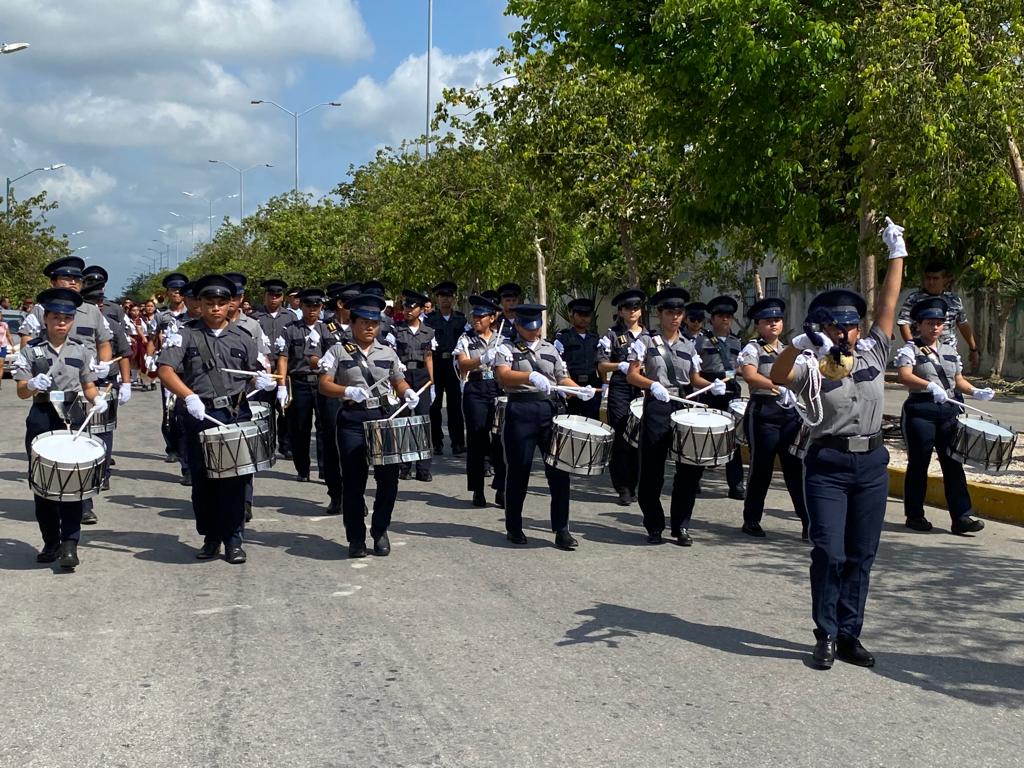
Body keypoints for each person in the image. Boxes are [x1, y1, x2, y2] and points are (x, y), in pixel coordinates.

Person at [771, 216, 907, 670]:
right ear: (821, 327)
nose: (846, 332)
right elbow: (775, 375)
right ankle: (825, 633)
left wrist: (896, 253)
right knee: (830, 552)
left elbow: (889, 303)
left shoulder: (873, 351)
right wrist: (795, 343)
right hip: (827, 462)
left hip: (870, 463)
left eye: (851, 324)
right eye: (836, 325)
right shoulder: (809, 362)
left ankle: (850, 634)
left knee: (862, 555)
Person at [157, 274, 276, 564]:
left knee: (235, 480)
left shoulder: (244, 338)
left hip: (235, 413)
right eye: (209, 303)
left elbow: (253, 375)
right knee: (204, 480)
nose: (215, 309)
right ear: (198, 303)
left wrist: (262, 382)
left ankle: (234, 538)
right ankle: (211, 537)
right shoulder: (184, 334)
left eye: (221, 303)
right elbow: (165, 370)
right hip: (200, 412)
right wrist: (189, 397)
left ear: (230, 305)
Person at [13, 288, 109, 570]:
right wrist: (30, 385)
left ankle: (70, 544)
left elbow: (89, 386)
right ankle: (50, 541)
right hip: (42, 414)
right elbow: (20, 391)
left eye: (66, 318)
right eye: (56, 318)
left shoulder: (80, 350)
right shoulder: (32, 350)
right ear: (46, 320)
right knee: (43, 484)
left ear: (71, 321)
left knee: (73, 484)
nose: (61, 323)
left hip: (72, 416)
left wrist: (97, 399)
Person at [318, 293, 419, 558]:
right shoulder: (338, 350)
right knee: (353, 481)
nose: (370, 327)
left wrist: (407, 392)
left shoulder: (388, 351)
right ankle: (356, 537)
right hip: (352, 419)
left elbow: (398, 379)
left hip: (383, 418)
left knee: (388, 479)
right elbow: (324, 384)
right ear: (352, 323)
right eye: (363, 322)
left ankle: (380, 529)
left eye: (374, 322)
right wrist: (346, 391)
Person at [627, 288, 727, 546]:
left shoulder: (689, 345)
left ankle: (681, 525)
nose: (675, 317)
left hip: (684, 405)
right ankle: (654, 525)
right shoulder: (646, 342)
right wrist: (651, 385)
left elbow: (694, 379)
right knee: (652, 469)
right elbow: (632, 375)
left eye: (679, 312)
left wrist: (711, 385)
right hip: (657, 404)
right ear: (659, 313)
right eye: (670, 312)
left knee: (689, 469)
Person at [20, 256, 114, 525]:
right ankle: (48, 509)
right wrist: (31, 369)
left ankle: (83, 504)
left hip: (81, 382)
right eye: (67, 278)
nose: (73, 283)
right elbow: (28, 340)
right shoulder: (41, 310)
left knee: (80, 452)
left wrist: (104, 366)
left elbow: (103, 340)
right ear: (54, 282)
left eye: (77, 279)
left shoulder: (93, 311)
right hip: (47, 383)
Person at [493, 303, 597, 550]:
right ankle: (514, 525)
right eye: (528, 327)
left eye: (537, 326)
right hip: (521, 409)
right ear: (517, 325)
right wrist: (529, 376)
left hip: (550, 411)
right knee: (519, 471)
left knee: (559, 473)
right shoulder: (506, 348)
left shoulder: (550, 348)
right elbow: (503, 375)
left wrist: (578, 390)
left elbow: (561, 377)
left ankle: (562, 529)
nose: (533, 331)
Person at [894, 296, 992, 534]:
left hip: (948, 412)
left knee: (953, 464)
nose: (935, 327)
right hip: (921, 411)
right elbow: (904, 375)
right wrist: (928, 386)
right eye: (930, 323)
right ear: (918, 325)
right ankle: (915, 515)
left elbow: (957, 380)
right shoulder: (911, 349)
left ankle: (962, 517)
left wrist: (975, 391)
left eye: (939, 323)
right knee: (919, 463)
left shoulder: (949, 350)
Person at [736, 298, 808, 538]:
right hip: (764, 412)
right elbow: (750, 375)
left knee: (795, 470)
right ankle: (752, 519)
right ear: (758, 325)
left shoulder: (788, 350)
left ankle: (808, 522)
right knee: (761, 469)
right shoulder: (752, 348)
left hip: (789, 414)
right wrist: (777, 387)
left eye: (777, 320)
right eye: (768, 321)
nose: (773, 324)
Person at [80, 267, 134, 493]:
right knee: (81, 432)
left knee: (103, 430)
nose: (96, 306)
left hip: (105, 382)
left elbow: (124, 353)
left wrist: (127, 383)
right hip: (80, 383)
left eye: (99, 301)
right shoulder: (73, 320)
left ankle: (103, 473)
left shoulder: (112, 322)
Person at [597, 289, 649, 506]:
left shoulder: (649, 336)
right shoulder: (611, 335)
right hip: (620, 387)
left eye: (636, 308)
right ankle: (623, 487)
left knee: (638, 438)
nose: (633, 312)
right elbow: (601, 364)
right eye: (628, 308)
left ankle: (635, 483)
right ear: (621, 311)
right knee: (621, 436)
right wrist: (620, 365)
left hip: (642, 389)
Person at [454, 294, 507, 507]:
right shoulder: (466, 338)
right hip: (475, 389)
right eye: (474, 315)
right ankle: (477, 489)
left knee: (502, 440)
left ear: (492, 318)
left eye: (481, 316)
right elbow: (463, 364)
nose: (476, 319)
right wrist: (482, 359)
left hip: (497, 387)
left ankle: (501, 487)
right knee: (477, 438)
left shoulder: (503, 339)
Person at [694, 295, 746, 500]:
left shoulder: (736, 341)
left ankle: (736, 484)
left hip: (730, 389)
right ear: (712, 318)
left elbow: (739, 367)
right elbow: (694, 369)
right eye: (720, 316)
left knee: (733, 439)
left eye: (728, 316)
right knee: (704, 436)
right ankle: (695, 479)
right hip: (708, 389)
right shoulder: (701, 340)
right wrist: (707, 385)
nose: (725, 320)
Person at [276, 287, 330, 483]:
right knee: (299, 428)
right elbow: (283, 358)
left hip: (322, 382)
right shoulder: (290, 329)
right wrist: (281, 385)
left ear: (322, 306)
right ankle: (302, 468)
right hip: (299, 382)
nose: (312, 310)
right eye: (308, 305)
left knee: (325, 426)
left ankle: (325, 468)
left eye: (316, 306)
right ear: (301, 305)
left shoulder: (327, 329)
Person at [897, 262, 979, 369]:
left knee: (951, 383)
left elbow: (963, 324)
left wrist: (973, 348)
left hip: (949, 352)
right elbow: (904, 324)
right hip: (923, 353)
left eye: (935, 278)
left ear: (945, 280)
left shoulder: (954, 300)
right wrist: (916, 347)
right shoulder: (914, 299)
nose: (930, 282)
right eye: (928, 278)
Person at [393, 290, 436, 481]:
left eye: (412, 308)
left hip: (421, 375)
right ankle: (404, 466)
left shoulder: (428, 331)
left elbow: (428, 356)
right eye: (406, 307)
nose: (408, 311)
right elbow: (392, 353)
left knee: (422, 421)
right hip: (403, 375)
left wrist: (431, 380)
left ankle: (423, 468)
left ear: (420, 310)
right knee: (403, 420)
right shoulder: (396, 330)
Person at [251, 278, 294, 459]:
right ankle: (267, 445)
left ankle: (285, 445)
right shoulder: (255, 317)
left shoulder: (290, 317)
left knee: (285, 410)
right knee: (264, 409)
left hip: (284, 370)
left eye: (278, 295)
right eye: (271, 295)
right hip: (263, 370)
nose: (274, 298)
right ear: (265, 296)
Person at [425, 281, 467, 455]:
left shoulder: (461, 319)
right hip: (436, 363)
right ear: (437, 299)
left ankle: (457, 442)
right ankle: (437, 442)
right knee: (434, 405)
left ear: (454, 299)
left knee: (455, 405)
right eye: (442, 297)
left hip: (454, 364)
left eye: (448, 297)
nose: (445, 300)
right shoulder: (430, 319)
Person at [554, 297, 603, 421]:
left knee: (592, 421)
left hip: (591, 384)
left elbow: (600, 363)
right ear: (572, 315)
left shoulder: (595, 338)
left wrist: (604, 383)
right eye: (580, 314)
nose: (583, 318)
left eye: (586, 315)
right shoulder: (563, 337)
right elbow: (560, 362)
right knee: (570, 421)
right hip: (572, 383)